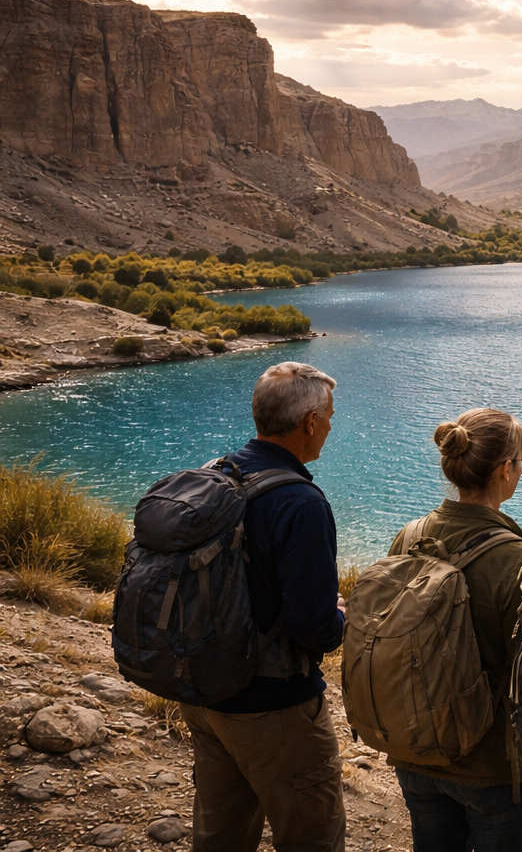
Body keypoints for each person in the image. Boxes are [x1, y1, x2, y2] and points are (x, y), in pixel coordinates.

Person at [179, 362, 347, 852]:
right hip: (275, 708)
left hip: (205, 694)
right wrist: (339, 617)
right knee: (313, 837)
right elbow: (313, 626)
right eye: (331, 417)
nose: (331, 428)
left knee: (220, 836)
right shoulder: (300, 501)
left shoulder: (214, 473)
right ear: (310, 422)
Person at [385, 409, 522, 852]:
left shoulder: (409, 535)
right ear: (504, 470)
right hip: (494, 766)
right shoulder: (519, 558)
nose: (520, 471)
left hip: (417, 749)